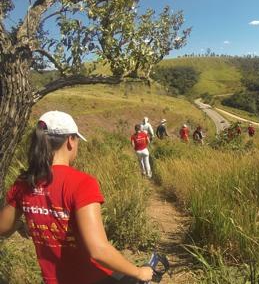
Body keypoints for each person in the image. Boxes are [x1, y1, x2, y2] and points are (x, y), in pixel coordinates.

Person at [0, 111, 153, 284]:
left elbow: (3, 228)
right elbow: (98, 250)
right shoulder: (82, 183)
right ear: (70, 141)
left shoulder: (24, 183)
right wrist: (139, 272)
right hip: (93, 278)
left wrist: (23, 222)